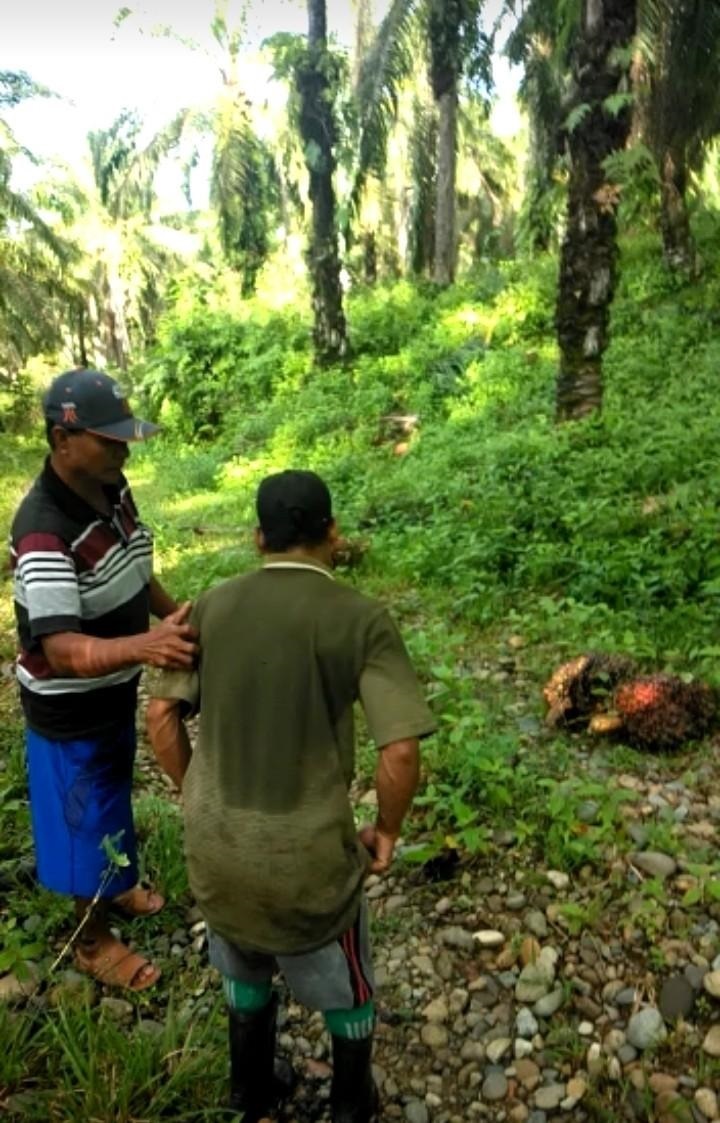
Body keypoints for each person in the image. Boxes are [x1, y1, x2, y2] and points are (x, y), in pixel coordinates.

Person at [146, 469, 436, 1123]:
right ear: (333, 534)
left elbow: (160, 720)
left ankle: (248, 1088)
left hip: (216, 853)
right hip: (306, 864)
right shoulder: (360, 618)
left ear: (257, 539)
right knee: (350, 982)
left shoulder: (209, 605)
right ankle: (351, 1103)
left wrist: (197, 795)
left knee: (242, 954)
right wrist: (385, 831)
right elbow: (401, 750)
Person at [10, 368, 198, 992]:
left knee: (113, 785)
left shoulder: (112, 488)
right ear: (63, 442)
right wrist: (146, 646)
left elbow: (137, 569)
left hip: (112, 686)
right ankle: (88, 940)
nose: (124, 448)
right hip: (68, 707)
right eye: (108, 438)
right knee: (79, 814)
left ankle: (114, 888)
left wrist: (169, 616)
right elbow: (61, 650)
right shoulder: (42, 529)